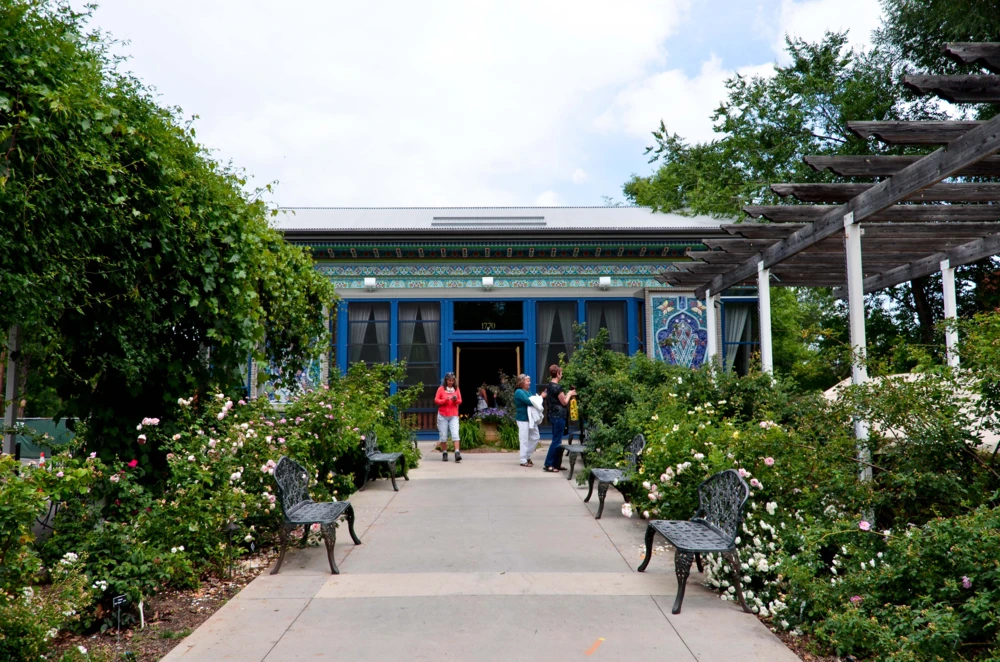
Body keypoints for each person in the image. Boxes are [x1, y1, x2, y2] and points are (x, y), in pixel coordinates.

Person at [542, 365, 577, 473]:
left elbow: (558, 399)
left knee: (557, 440)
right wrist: (570, 394)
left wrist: (567, 395)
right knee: (556, 441)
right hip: (559, 416)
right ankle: (548, 464)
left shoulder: (549, 386)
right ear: (557, 374)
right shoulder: (558, 387)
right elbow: (564, 402)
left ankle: (556, 464)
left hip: (553, 415)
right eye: (560, 373)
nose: (561, 375)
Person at [514, 374, 540, 467]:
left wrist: (538, 398)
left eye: (529, 381)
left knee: (536, 437)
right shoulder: (519, 392)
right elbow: (529, 401)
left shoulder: (528, 391)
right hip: (522, 418)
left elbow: (533, 401)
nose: (529, 382)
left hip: (531, 418)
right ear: (521, 382)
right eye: (527, 381)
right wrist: (540, 397)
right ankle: (523, 460)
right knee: (524, 439)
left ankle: (527, 455)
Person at [434, 372, 462, 462]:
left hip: (453, 415)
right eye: (449, 380)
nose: (451, 382)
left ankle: (457, 452)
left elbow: (460, 400)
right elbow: (436, 400)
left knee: (455, 433)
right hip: (443, 415)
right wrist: (444, 400)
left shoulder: (456, 389)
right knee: (443, 435)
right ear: (446, 380)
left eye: (452, 380)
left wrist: (455, 400)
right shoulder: (441, 389)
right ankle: (444, 452)